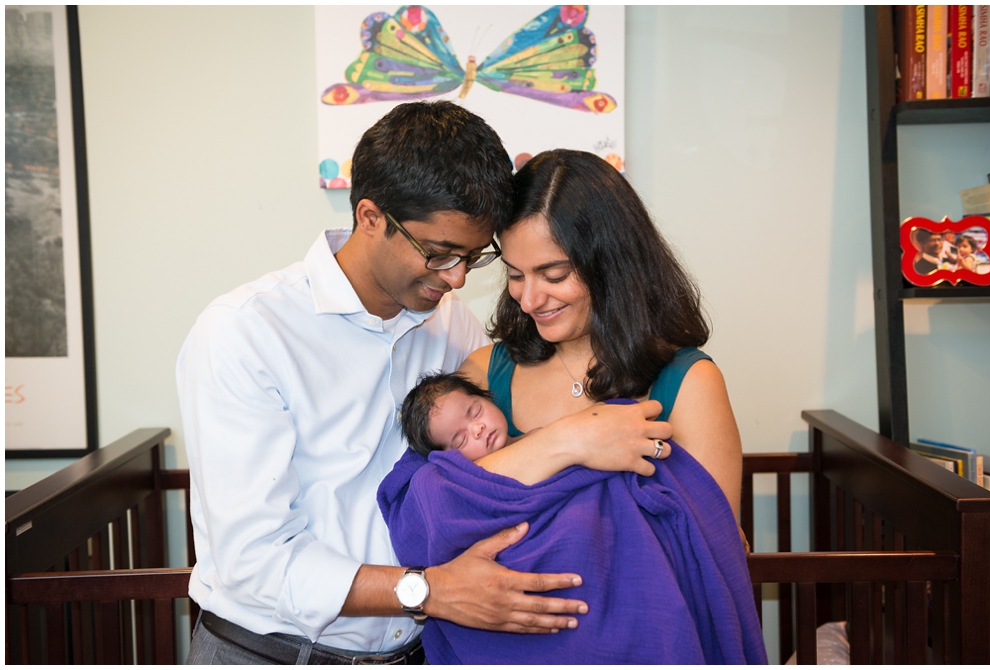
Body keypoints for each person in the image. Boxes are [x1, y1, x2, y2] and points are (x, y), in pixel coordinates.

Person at [177, 103, 673, 664]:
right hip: (273, 652)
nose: (457, 277)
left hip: (419, 650)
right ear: (370, 217)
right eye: (438, 254)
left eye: (473, 257)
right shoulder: (245, 332)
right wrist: (429, 589)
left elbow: (478, 475)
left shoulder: (451, 324)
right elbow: (254, 562)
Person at [379, 150, 766, 664]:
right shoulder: (485, 374)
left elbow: (708, 556)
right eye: (516, 275)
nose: (530, 298)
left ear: (611, 264)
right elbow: (421, 512)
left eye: (553, 274)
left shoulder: (688, 383)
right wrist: (571, 441)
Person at [400, 371, 520, 460]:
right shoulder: (472, 483)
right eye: (462, 440)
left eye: (476, 412)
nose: (478, 429)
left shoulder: (535, 437)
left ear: (486, 397)